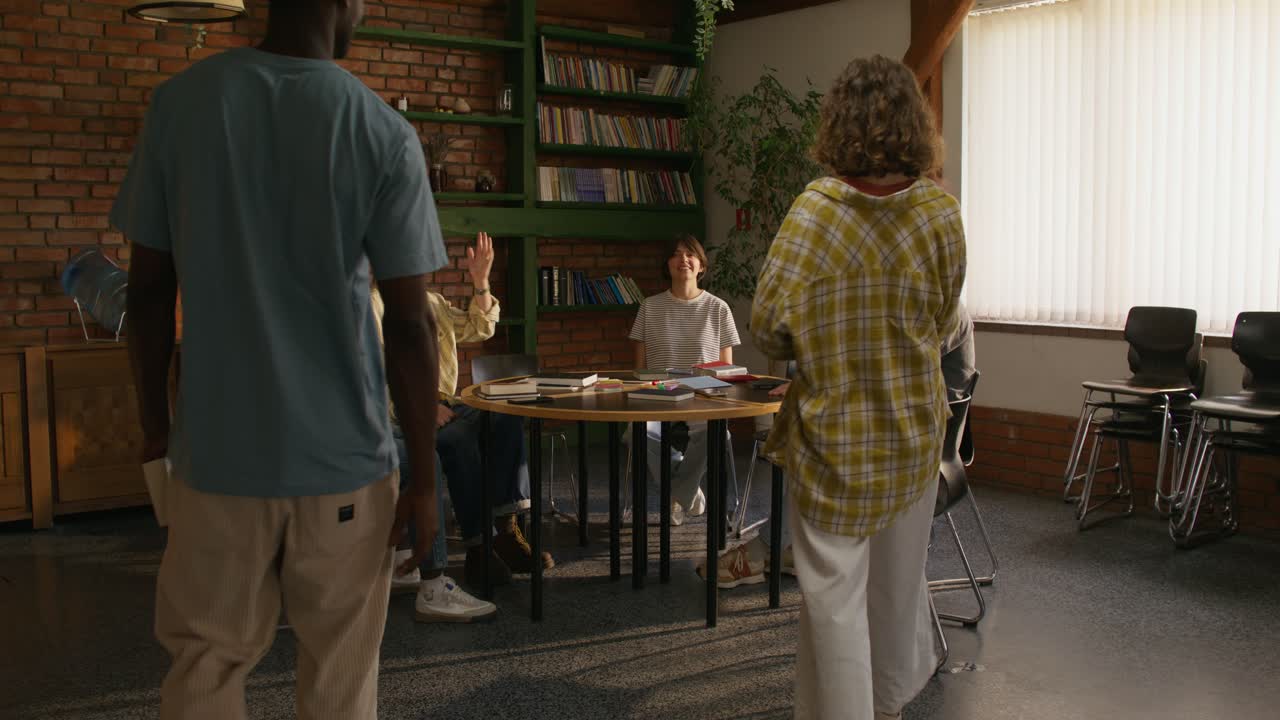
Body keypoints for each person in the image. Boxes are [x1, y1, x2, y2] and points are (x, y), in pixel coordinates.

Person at [115, 0, 448, 716]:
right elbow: (412, 326)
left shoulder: (181, 106)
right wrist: (424, 475)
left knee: (204, 668)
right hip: (348, 471)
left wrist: (156, 429)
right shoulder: (382, 132)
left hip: (216, 465)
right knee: (340, 682)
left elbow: (145, 295)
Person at [750, 55, 966, 720]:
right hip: (909, 440)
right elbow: (946, 319)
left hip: (833, 444)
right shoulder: (939, 213)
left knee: (833, 609)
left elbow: (765, 328)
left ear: (838, 122)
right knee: (896, 601)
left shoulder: (813, 213)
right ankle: (890, 707)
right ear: (915, 123)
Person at [373, 232, 553, 602]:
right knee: (457, 440)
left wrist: (481, 281)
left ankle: (506, 528)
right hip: (401, 415)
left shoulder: (430, 301)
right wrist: (421, 408)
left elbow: (479, 327)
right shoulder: (370, 305)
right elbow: (378, 375)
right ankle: (478, 549)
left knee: (504, 417)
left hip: (446, 402)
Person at [628, 234, 741, 525]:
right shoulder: (649, 307)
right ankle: (687, 491)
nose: (683, 260)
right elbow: (639, 371)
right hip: (660, 396)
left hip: (704, 397)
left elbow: (725, 370)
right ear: (666, 265)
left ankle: (677, 493)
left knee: (718, 434)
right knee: (634, 433)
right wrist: (654, 383)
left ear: (701, 265)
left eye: (690, 254)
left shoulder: (718, 308)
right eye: (676, 254)